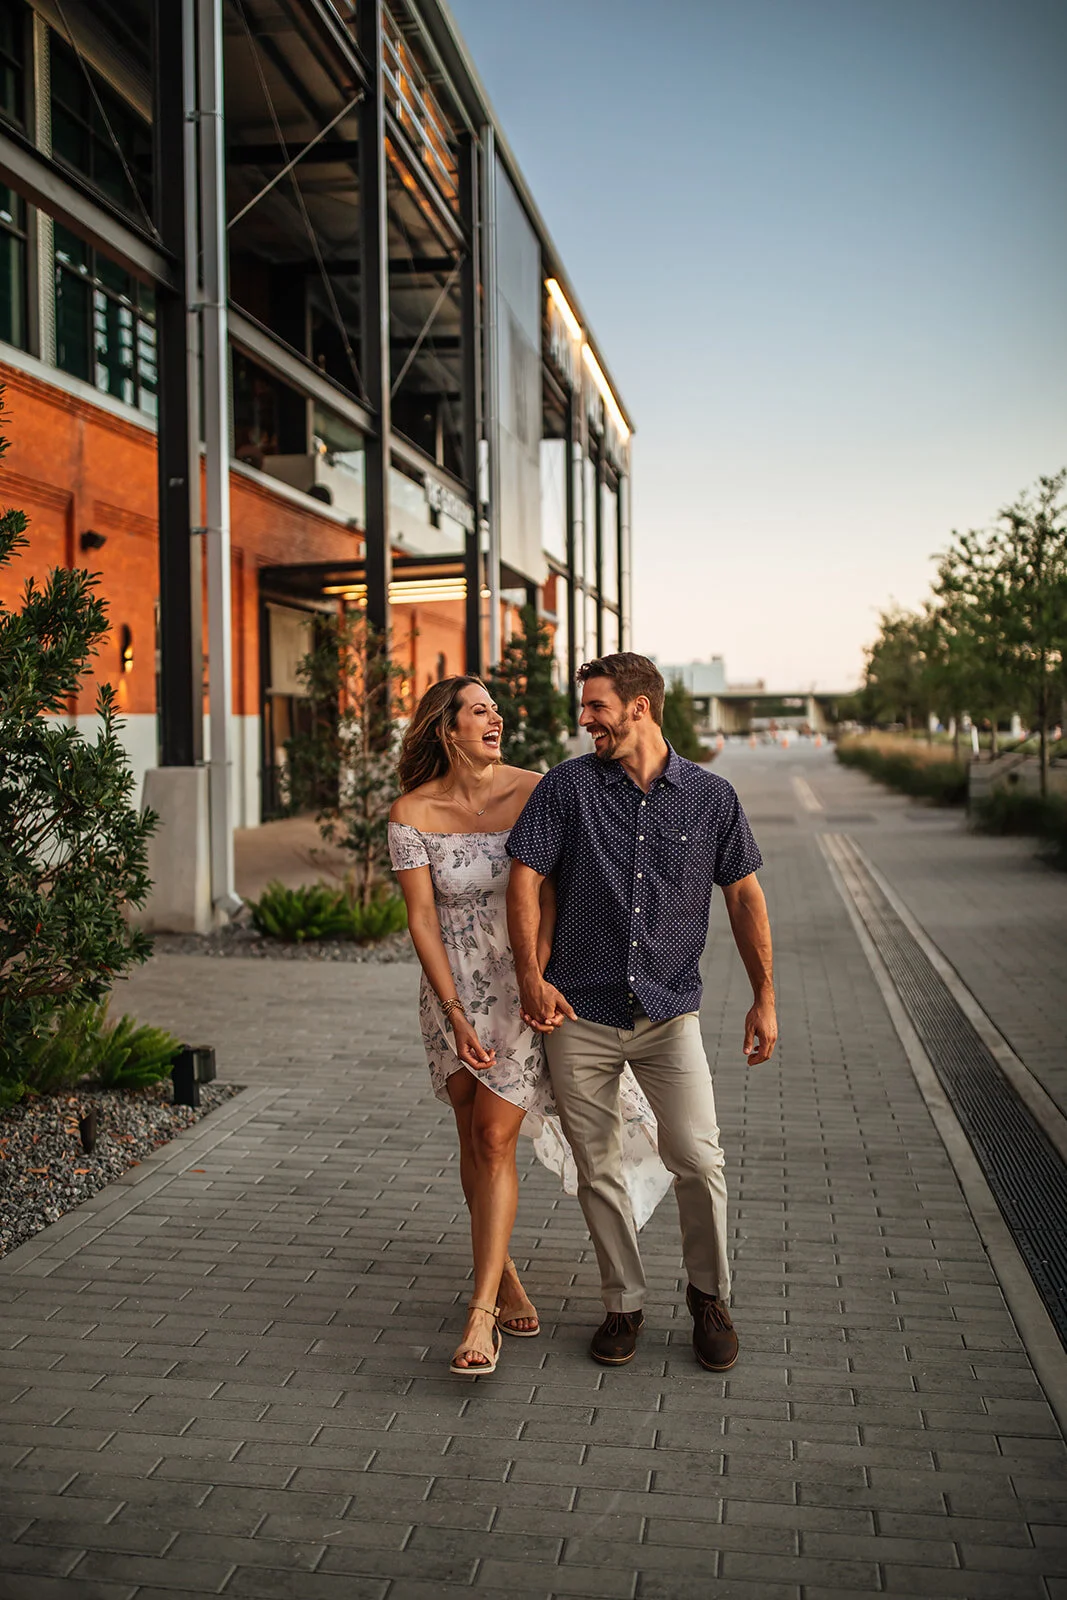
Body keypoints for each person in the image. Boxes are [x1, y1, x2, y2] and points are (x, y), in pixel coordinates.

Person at [389, 675, 670, 1378]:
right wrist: (451, 1010)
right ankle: (502, 1269)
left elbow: (551, 892)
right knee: (471, 1138)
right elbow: (422, 918)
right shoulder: (410, 812)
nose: (495, 719)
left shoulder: (537, 789)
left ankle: (479, 1315)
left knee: (493, 1134)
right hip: (452, 995)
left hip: (521, 987)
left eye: (495, 710)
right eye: (478, 711)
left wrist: (537, 974)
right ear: (445, 729)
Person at [506, 652, 778, 1372]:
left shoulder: (712, 798)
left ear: (639, 708)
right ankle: (621, 1302)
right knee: (596, 1167)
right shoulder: (567, 787)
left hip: (668, 1015)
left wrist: (765, 998)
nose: (584, 719)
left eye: (596, 705)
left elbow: (745, 897)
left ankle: (708, 1296)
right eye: (585, 707)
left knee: (697, 1157)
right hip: (578, 1014)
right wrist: (530, 975)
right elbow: (525, 878)